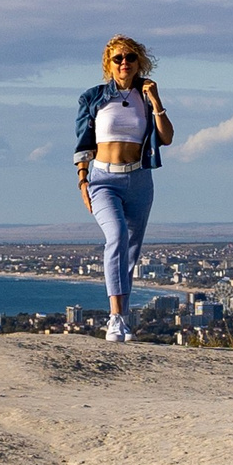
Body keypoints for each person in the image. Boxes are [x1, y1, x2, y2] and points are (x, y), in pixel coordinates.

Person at [74, 36, 173, 342]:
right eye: (117, 58)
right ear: (109, 63)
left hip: (140, 181)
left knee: (131, 252)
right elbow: (82, 143)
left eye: (129, 57)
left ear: (139, 62)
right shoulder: (93, 97)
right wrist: (82, 179)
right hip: (104, 180)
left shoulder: (145, 97)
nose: (124, 63)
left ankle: (124, 320)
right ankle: (115, 319)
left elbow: (166, 138)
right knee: (116, 237)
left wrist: (156, 102)